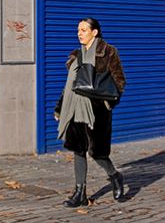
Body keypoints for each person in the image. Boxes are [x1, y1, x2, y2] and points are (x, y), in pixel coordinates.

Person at [54, 17, 127, 207]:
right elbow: (69, 86)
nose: (79, 33)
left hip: (96, 111)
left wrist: (106, 104)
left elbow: (119, 82)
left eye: (83, 30)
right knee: (78, 150)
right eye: (78, 30)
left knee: (97, 152)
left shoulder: (108, 52)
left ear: (94, 32)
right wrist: (60, 108)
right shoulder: (76, 56)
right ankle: (80, 194)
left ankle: (115, 176)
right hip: (74, 108)